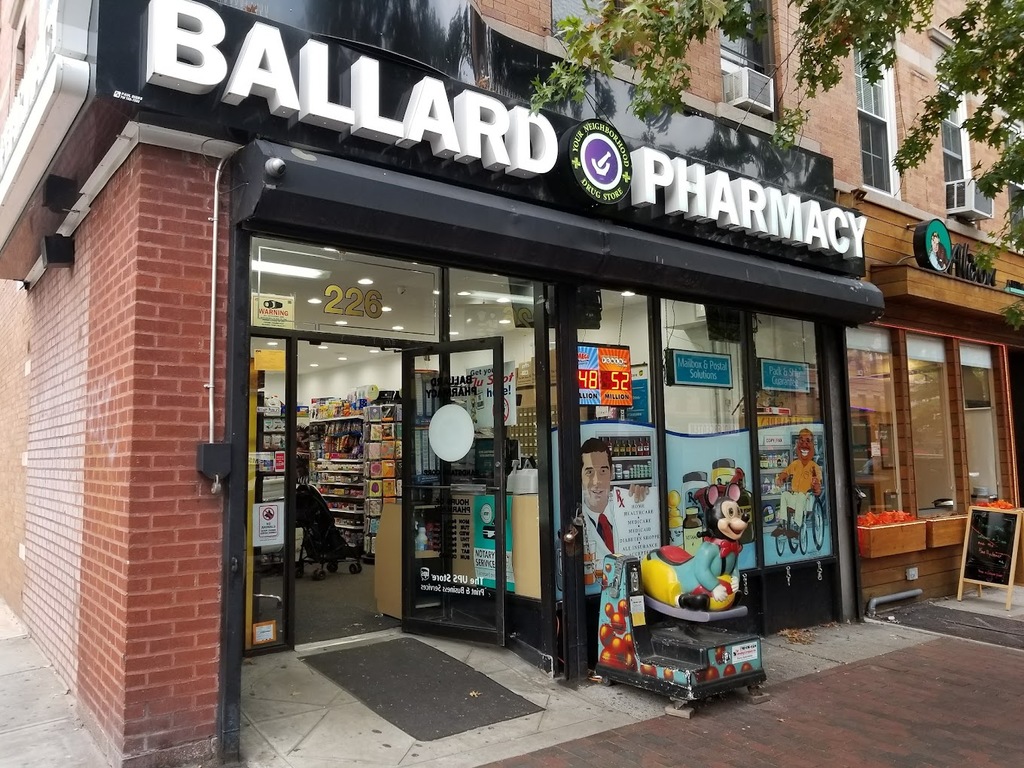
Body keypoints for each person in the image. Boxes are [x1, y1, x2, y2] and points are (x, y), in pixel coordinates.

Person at [580, 438, 650, 576]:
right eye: (589, 472)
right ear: (580, 475)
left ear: (611, 473)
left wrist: (643, 503)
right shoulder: (575, 519)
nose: (597, 481)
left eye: (603, 471)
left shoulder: (626, 506)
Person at [775, 428, 822, 537]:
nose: (804, 444)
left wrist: (816, 486)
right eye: (801, 441)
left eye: (808, 441)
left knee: (801, 496)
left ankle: (797, 525)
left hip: (807, 497)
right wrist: (781, 478)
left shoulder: (814, 467)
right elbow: (786, 472)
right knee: (784, 495)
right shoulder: (795, 464)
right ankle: (783, 522)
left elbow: (818, 481)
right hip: (794, 496)